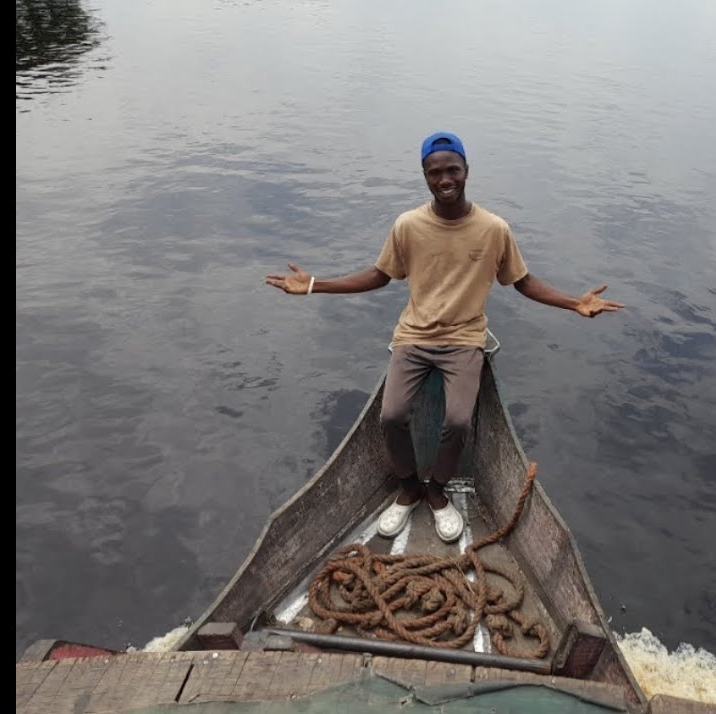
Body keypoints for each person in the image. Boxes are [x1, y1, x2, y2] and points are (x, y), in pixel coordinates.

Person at [265, 132, 623, 543]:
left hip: (464, 339)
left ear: (467, 171)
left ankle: (436, 491)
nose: (444, 179)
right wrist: (314, 285)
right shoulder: (408, 226)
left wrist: (574, 303)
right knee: (391, 416)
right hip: (413, 336)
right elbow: (379, 275)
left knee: (457, 422)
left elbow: (522, 281)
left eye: (452, 170)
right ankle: (409, 488)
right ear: (425, 177)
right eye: (435, 173)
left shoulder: (493, 229)